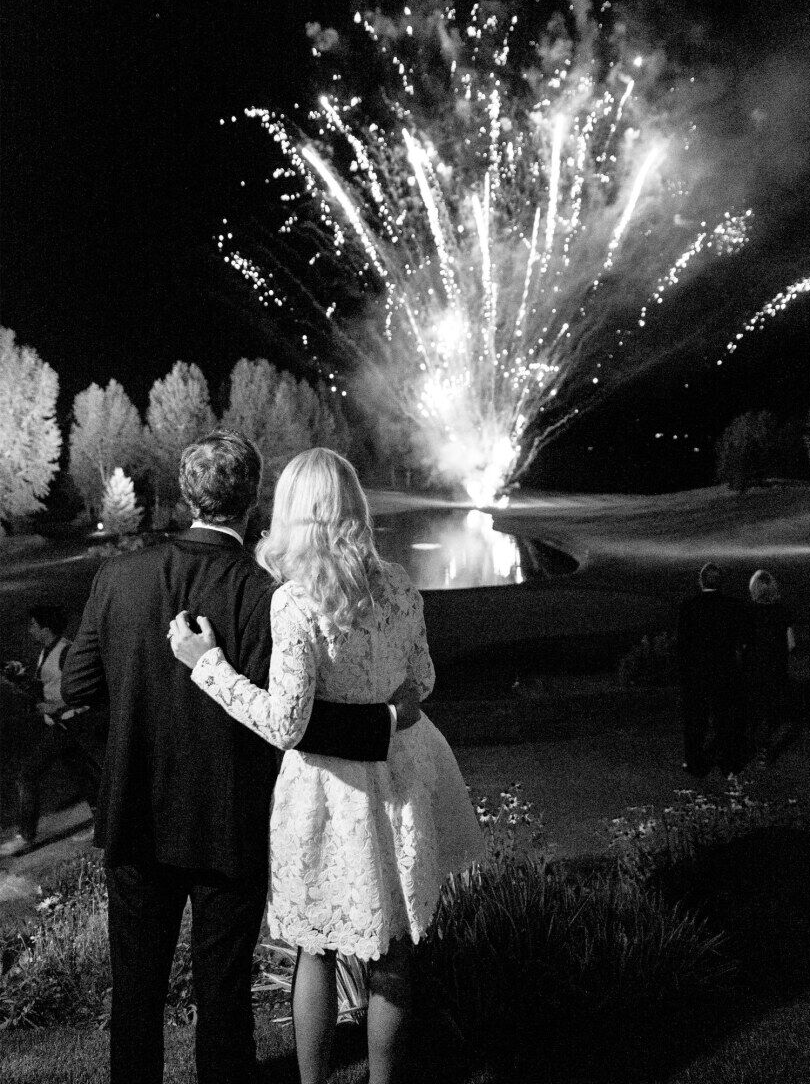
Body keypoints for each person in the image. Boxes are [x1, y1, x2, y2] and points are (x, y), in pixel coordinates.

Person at [59, 430, 419, 1084]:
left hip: (138, 811)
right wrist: (389, 721)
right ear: (251, 500)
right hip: (229, 817)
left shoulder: (120, 578)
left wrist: (138, 721)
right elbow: (297, 720)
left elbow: (79, 686)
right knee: (221, 996)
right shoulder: (266, 592)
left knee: (135, 994)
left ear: (185, 491)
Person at [170, 448, 485, 1084]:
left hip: (326, 788)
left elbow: (287, 724)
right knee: (392, 948)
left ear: (292, 513)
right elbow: (422, 677)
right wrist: (390, 704)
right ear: (354, 508)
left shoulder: (295, 602)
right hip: (400, 776)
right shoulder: (399, 585)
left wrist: (207, 665)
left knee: (317, 945)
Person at [0, 606, 104, 857]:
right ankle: (105, 828)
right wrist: (22, 677)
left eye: (33, 625)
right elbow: (48, 686)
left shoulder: (66, 652)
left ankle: (26, 836)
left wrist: (56, 706)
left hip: (70, 724)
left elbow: (89, 690)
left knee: (28, 773)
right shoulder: (49, 651)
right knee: (85, 776)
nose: (30, 630)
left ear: (46, 628)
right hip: (63, 724)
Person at [675, 562, 745, 776]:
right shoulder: (732, 605)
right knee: (724, 717)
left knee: (695, 718)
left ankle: (694, 761)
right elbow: (739, 640)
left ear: (701, 581)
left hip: (697, 670)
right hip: (723, 669)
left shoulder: (689, 606)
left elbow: (682, 643)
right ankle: (728, 761)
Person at [741, 569, 796, 764]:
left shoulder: (748, 612)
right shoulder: (782, 611)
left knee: (753, 712)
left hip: (754, 669)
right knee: (774, 712)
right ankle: (768, 751)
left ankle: (750, 749)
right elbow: (791, 644)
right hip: (776, 669)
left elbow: (742, 643)